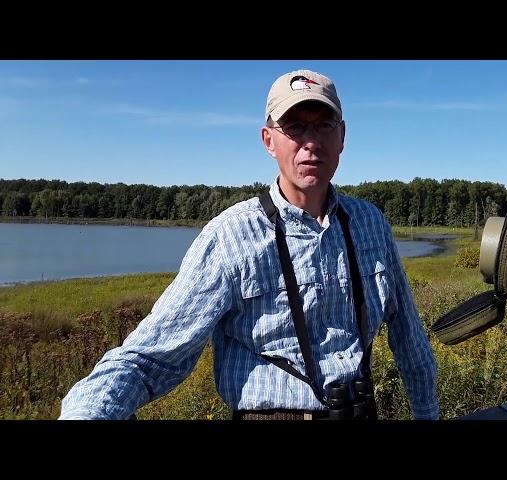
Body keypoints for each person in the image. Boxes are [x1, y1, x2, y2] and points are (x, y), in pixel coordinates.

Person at [59, 69, 439, 420]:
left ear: (342, 137)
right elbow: (148, 359)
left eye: (324, 126)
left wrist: (427, 413)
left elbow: (411, 342)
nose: (310, 142)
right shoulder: (231, 236)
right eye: (293, 127)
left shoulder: (370, 224)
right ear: (268, 140)